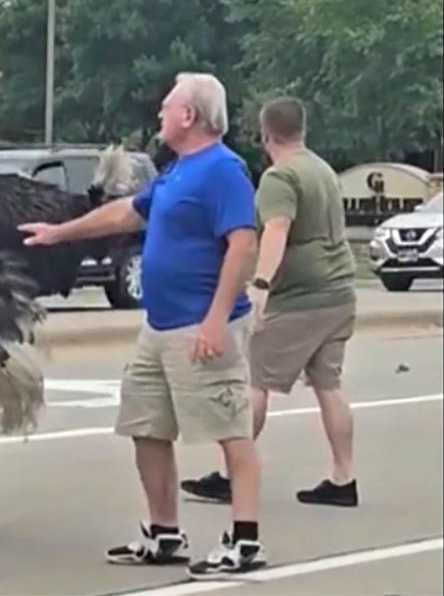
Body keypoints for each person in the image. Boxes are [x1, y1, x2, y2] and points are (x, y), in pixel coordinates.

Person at [20, 73, 265, 578]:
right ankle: (164, 532)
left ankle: (244, 540)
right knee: (145, 427)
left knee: (230, 430)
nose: (160, 113)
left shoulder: (224, 171)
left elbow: (243, 245)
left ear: (190, 116)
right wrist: (59, 233)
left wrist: (217, 320)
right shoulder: (177, 172)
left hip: (202, 325)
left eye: (167, 106)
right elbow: (127, 215)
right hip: (159, 327)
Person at [181, 97, 359, 508]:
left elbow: (277, 229)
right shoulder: (322, 169)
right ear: (302, 130)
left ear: (265, 135)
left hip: (301, 297)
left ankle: (231, 475)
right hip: (339, 291)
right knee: (329, 386)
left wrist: (260, 283)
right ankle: (343, 477)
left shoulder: (280, 177)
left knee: (256, 384)